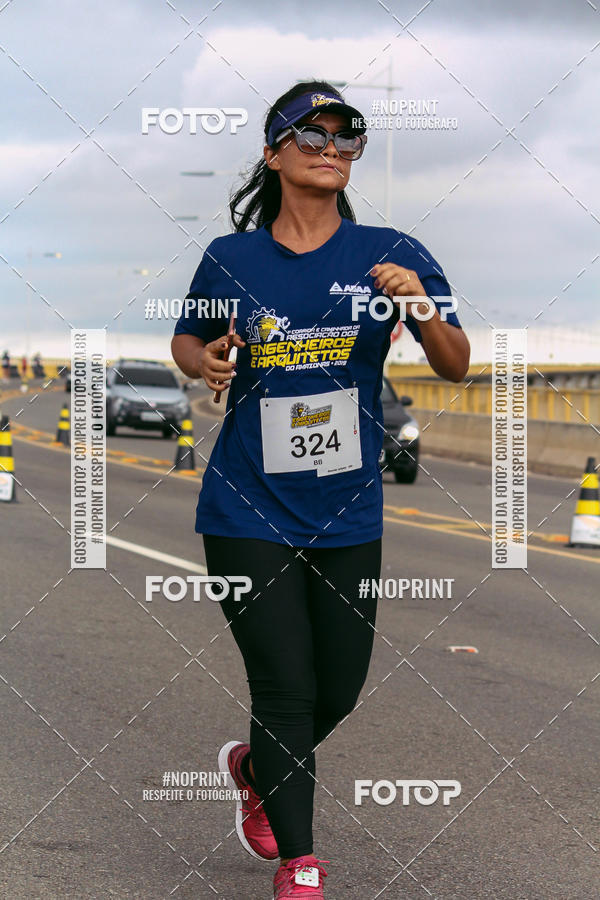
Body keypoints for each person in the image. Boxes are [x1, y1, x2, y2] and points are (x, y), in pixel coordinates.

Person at [171, 81, 470, 899]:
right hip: (244, 501)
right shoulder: (232, 259)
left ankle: (254, 764)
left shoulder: (390, 252)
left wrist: (420, 305)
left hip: (346, 507)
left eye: (348, 137)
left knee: (338, 686)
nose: (333, 148)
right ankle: (301, 862)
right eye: (314, 134)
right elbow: (187, 337)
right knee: (285, 684)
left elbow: (454, 361)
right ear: (274, 153)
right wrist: (207, 363)